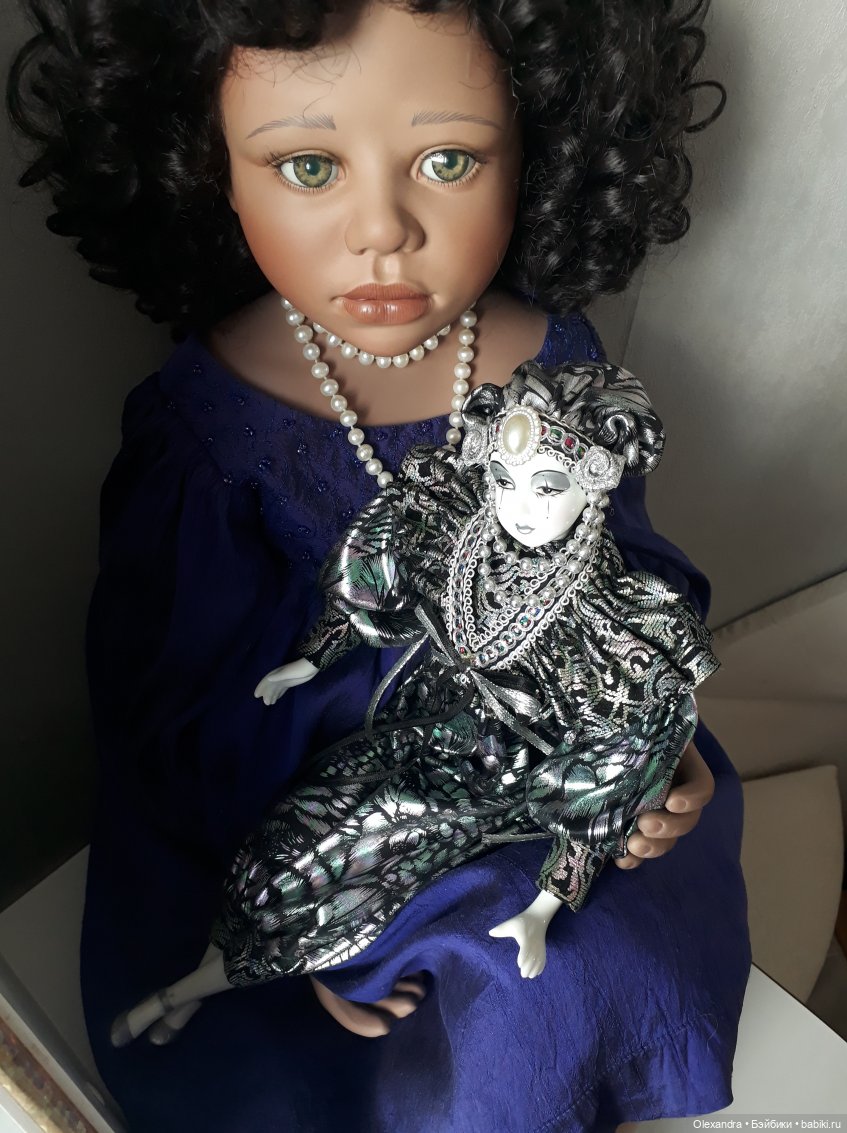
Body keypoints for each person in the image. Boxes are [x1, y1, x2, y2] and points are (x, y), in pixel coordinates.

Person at [7, 1, 751, 1130]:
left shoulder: (554, 367)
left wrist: (658, 742)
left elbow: (624, 574)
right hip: (300, 806)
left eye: (448, 160)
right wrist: (294, 915)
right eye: (308, 166)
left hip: (534, 759)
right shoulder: (207, 432)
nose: (382, 231)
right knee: (402, 1016)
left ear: (541, 149)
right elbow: (177, 710)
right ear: (206, 168)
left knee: (588, 959)